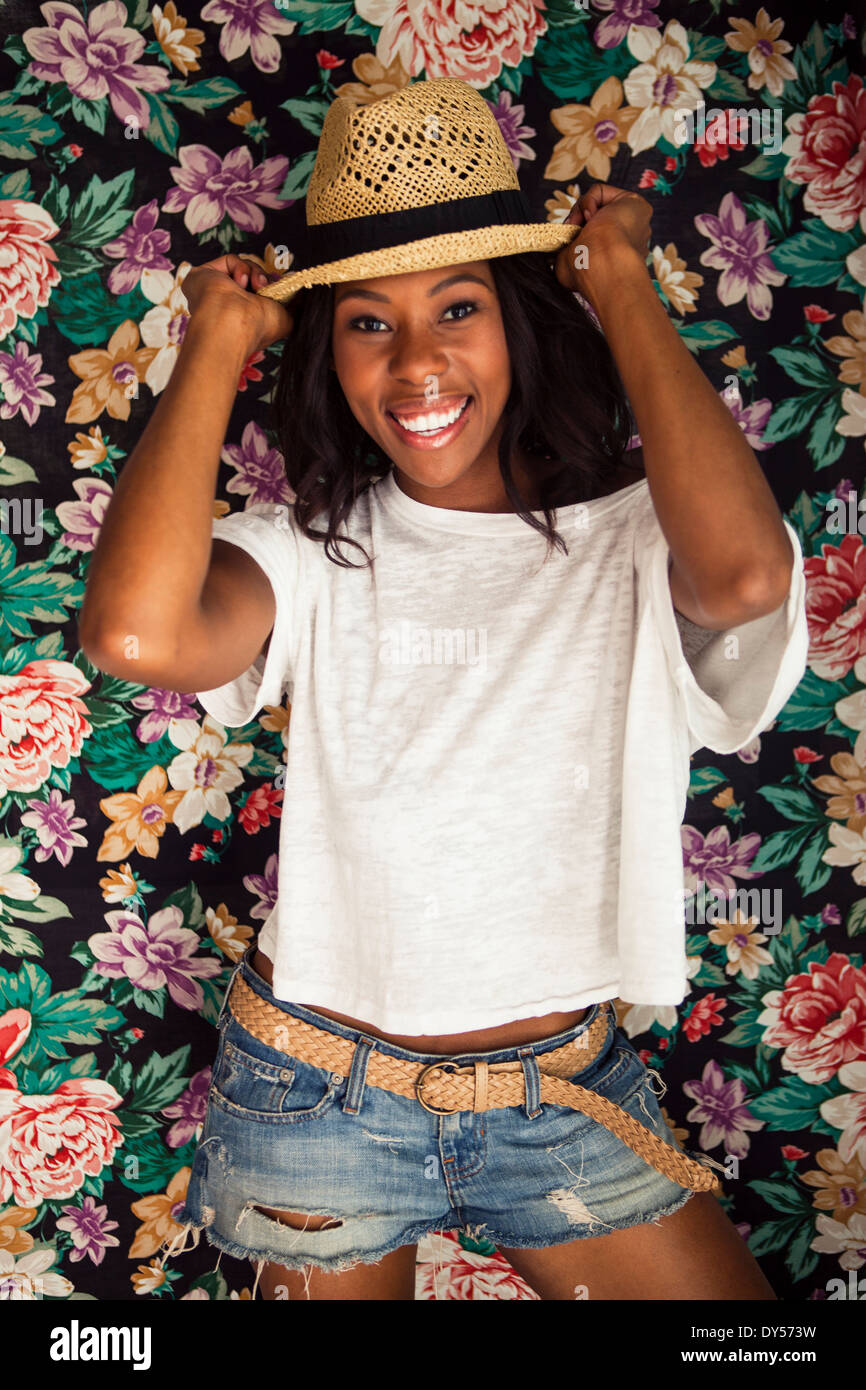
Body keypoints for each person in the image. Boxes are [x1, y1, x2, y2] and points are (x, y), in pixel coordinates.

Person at [79, 78, 808, 1301]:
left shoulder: (638, 534)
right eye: (368, 323)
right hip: (316, 1094)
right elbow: (140, 637)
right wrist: (210, 346)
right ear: (328, 350)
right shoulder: (308, 547)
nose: (416, 362)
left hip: (559, 1087)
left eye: (457, 308)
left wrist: (619, 281)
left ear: (522, 319)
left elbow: (739, 576)